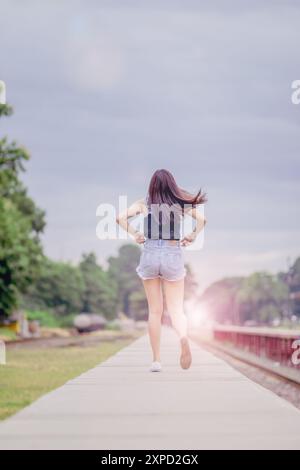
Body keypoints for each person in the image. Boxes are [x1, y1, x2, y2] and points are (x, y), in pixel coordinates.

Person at [116, 169, 207, 372]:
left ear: (152, 185)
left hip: (149, 252)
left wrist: (136, 235)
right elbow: (202, 221)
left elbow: (120, 218)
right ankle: (183, 338)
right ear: (172, 185)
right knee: (176, 310)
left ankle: (156, 361)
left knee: (154, 311)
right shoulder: (180, 203)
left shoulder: (144, 202)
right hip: (172, 253)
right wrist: (191, 236)